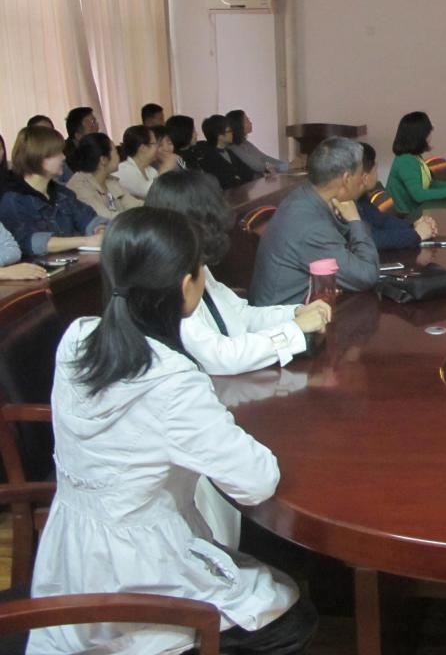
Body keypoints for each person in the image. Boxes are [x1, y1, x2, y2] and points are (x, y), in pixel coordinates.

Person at [28, 208, 317, 655]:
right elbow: (256, 482)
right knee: (291, 616)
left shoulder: (77, 338)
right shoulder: (171, 380)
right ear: (187, 287)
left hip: (71, 558)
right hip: (139, 574)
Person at [145, 170, 332, 375]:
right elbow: (222, 357)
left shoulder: (196, 264)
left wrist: (294, 313)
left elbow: (241, 315)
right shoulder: (168, 286)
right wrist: (293, 330)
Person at [250, 137, 380, 305]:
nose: (362, 180)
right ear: (347, 179)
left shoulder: (304, 196)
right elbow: (366, 275)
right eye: (360, 175)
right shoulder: (310, 226)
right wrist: (355, 221)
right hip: (285, 318)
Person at [0, 126, 105, 256]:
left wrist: (100, 230)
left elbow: (89, 218)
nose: (63, 157)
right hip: (38, 267)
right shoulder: (13, 199)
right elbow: (31, 242)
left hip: (71, 263)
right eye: (57, 153)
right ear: (38, 156)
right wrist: (86, 241)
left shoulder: (62, 193)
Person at [384, 111, 446, 213]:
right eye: (428, 132)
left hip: (417, 211)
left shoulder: (414, 157)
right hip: (406, 216)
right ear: (420, 135)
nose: (430, 136)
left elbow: (429, 185)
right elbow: (419, 195)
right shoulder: (406, 161)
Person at [358, 143, 437, 249]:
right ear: (365, 177)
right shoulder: (345, 203)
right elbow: (372, 239)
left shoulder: (361, 198)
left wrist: (412, 225)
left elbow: (383, 221)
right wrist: (415, 234)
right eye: (375, 168)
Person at [65, 132, 143, 219]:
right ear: (103, 160)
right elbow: (107, 219)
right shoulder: (80, 187)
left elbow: (135, 205)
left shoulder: (110, 181)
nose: (119, 156)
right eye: (115, 152)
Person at [197, 114, 259, 190]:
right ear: (220, 135)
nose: (232, 133)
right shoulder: (209, 158)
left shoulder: (230, 152)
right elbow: (227, 182)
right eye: (230, 131)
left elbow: (248, 173)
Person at [116, 124, 174, 199]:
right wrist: (166, 166)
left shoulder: (151, 170)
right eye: (155, 144)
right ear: (143, 148)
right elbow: (147, 192)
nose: (157, 148)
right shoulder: (124, 170)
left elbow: (163, 193)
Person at [227, 109, 288, 174]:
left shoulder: (245, 143)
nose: (250, 122)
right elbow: (258, 166)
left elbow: (263, 157)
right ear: (238, 125)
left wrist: (285, 165)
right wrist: (287, 166)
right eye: (247, 120)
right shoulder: (234, 147)